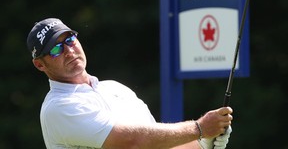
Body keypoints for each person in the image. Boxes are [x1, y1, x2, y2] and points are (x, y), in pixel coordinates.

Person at [27, 17, 233, 149]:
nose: (69, 51)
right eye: (55, 49)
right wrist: (199, 128)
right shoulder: (57, 107)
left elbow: (157, 145)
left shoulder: (115, 89)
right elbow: (132, 142)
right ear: (39, 65)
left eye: (69, 40)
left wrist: (205, 142)